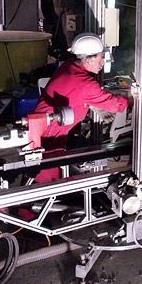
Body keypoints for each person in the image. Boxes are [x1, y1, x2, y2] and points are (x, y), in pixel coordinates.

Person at [30, 33, 129, 182]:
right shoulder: (84, 83)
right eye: (100, 57)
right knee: (40, 187)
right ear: (88, 60)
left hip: (51, 134)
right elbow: (116, 105)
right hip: (46, 141)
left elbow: (77, 95)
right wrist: (136, 98)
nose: (103, 62)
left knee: (51, 180)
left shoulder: (69, 65)